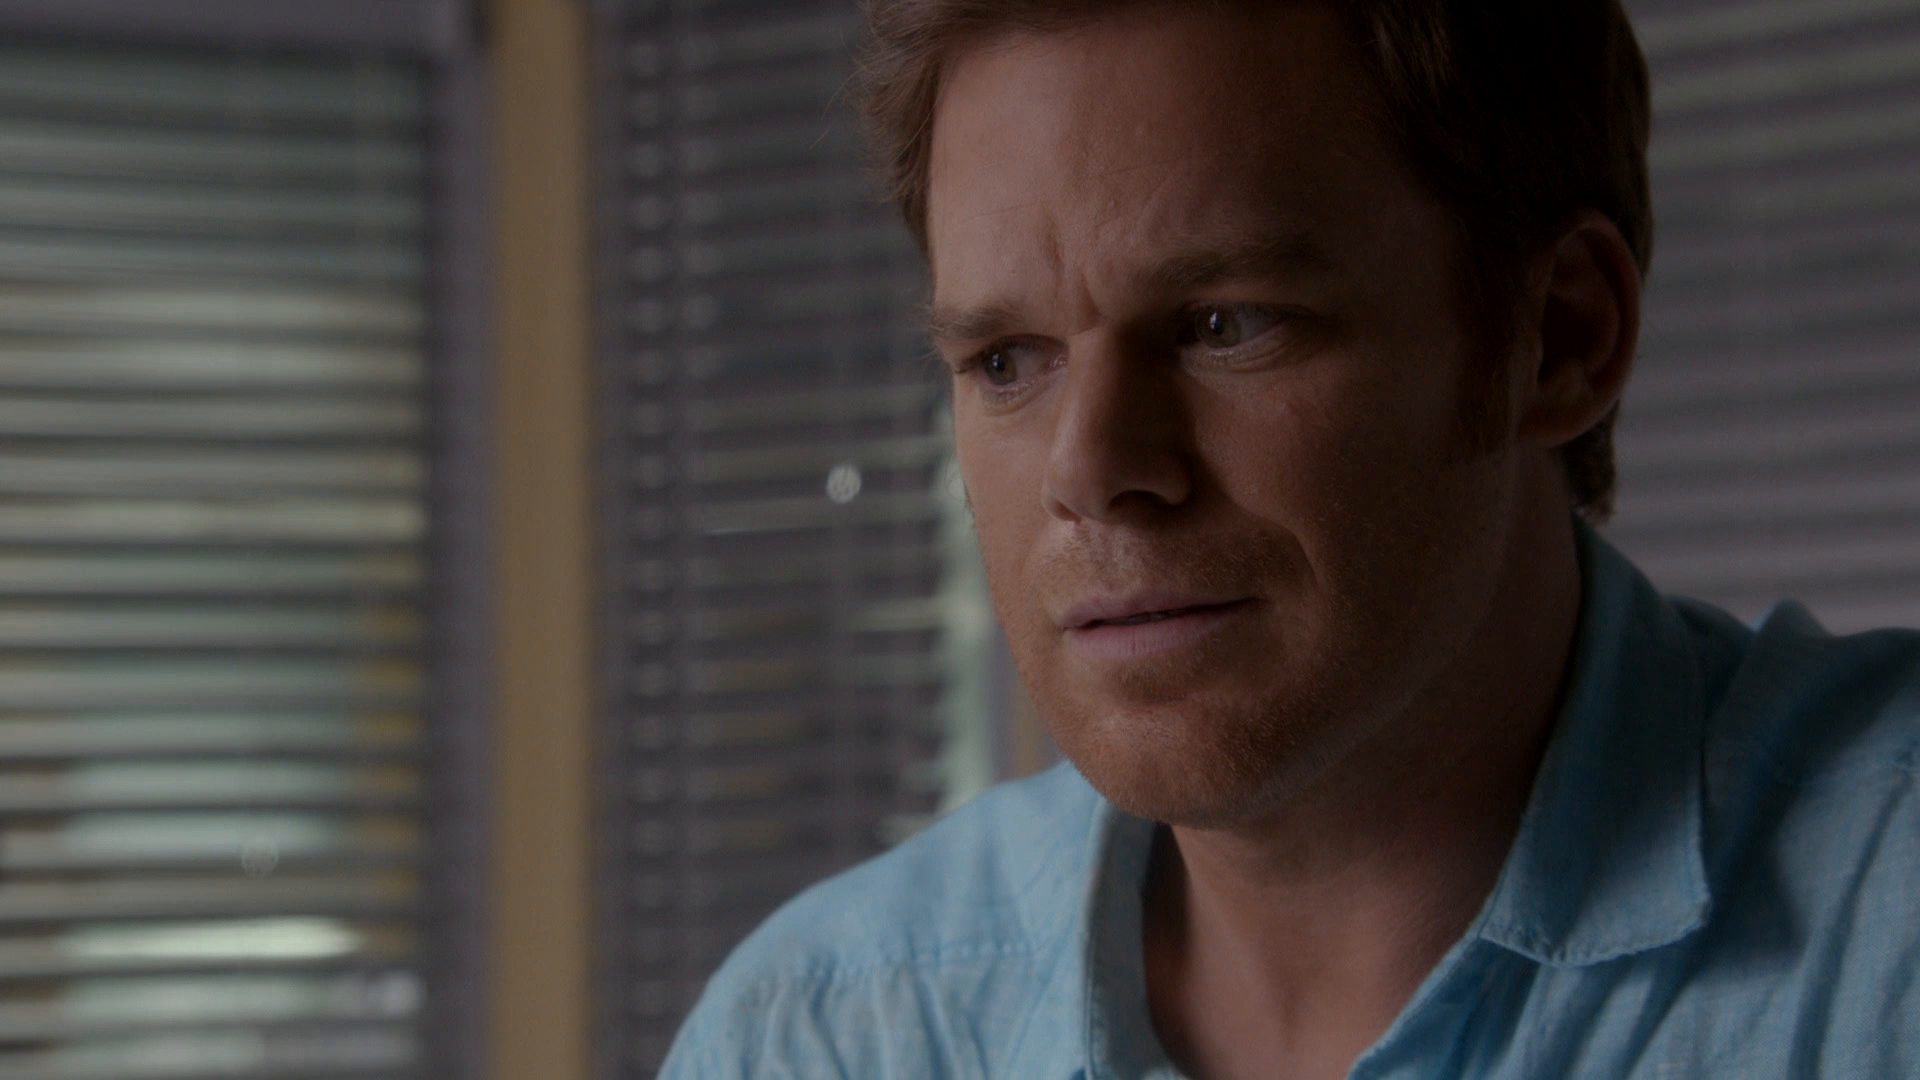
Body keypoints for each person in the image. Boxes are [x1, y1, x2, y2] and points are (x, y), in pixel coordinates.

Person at [661, 1, 1920, 1076]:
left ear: (1562, 338)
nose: (1088, 474)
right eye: (1006, 360)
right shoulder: (822, 1036)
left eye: (1226, 324)